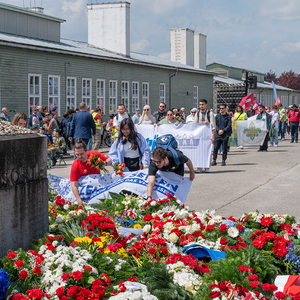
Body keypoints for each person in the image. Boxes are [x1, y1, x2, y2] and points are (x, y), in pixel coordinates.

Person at [70, 138, 112, 204]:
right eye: (77, 155)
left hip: (98, 185)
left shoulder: (94, 154)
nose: (80, 156)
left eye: (81, 154)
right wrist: (79, 201)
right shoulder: (75, 165)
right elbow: (73, 184)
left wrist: (104, 163)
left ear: (86, 150)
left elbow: (109, 160)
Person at [194, 99, 215, 173]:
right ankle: (199, 167)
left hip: (208, 135)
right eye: (200, 104)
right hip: (199, 135)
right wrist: (203, 122)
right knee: (199, 151)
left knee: (208, 151)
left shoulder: (210, 114)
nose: (201, 106)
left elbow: (213, 126)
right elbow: (195, 124)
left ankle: (207, 166)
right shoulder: (197, 114)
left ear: (206, 105)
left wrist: (213, 136)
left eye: (202, 104)